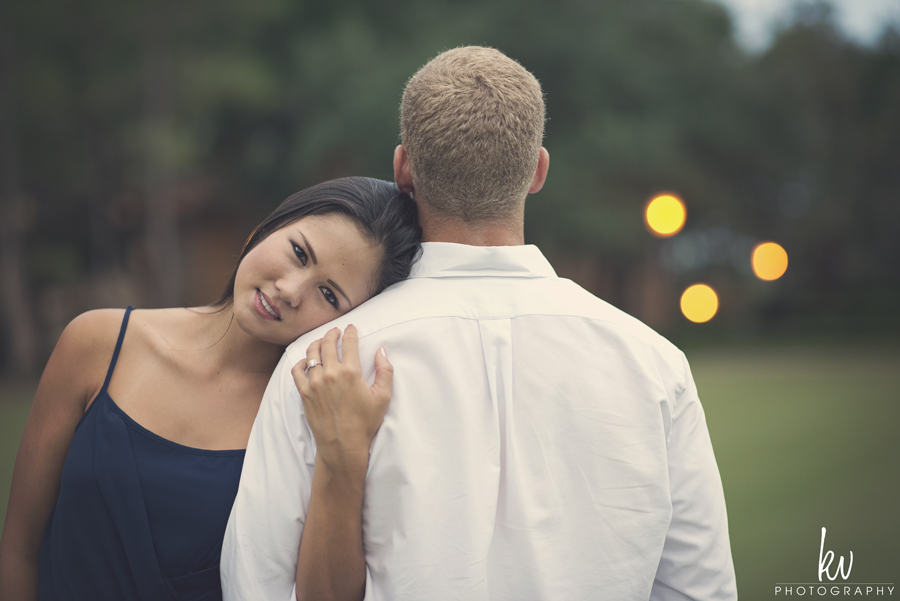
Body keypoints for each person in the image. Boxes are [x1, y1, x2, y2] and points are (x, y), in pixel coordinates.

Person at [223, 45, 738, 601]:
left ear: (403, 168)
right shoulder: (657, 365)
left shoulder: (319, 362)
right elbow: (698, 589)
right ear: (538, 170)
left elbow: (257, 585)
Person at [0, 177, 422, 601]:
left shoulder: (309, 420)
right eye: (298, 252)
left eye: (328, 294)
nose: (290, 290)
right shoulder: (97, 342)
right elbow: (19, 549)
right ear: (266, 228)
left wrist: (341, 452)